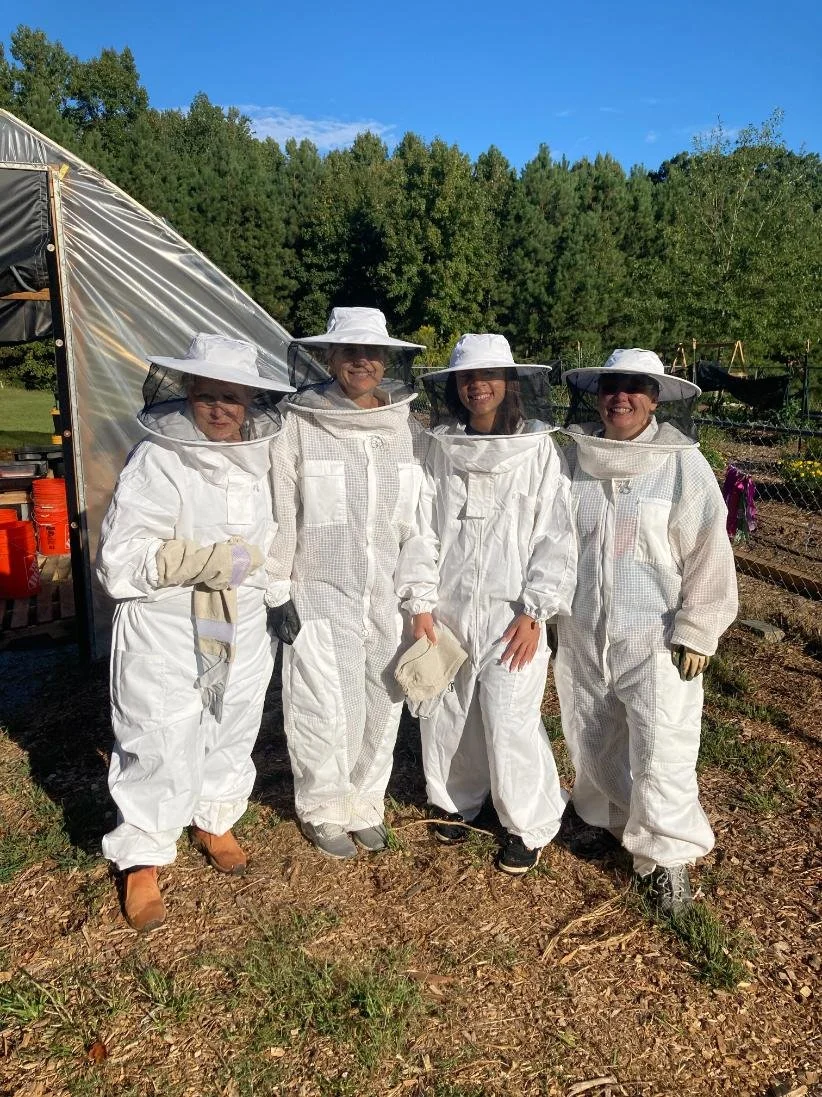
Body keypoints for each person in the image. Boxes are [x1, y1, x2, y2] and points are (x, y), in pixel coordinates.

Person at [96, 333, 292, 931]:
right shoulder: (158, 458)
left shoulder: (263, 458)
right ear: (185, 394)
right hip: (167, 622)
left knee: (232, 719)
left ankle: (214, 816)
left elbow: (276, 536)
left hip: (245, 619)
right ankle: (144, 856)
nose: (219, 408)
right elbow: (120, 560)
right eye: (206, 395)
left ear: (250, 400)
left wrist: (277, 591)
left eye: (230, 396)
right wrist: (201, 563)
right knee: (159, 729)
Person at [556, 347, 738, 913]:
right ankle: (604, 822)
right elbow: (551, 542)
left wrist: (698, 628)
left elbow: (710, 548)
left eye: (635, 386)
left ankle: (666, 859)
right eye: (612, 385)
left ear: (655, 398)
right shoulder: (574, 460)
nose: (621, 396)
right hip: (585, 629)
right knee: (591, 734)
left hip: (658, 637)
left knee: (664, 748)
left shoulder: (682, 463)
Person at [395, 333, 577, 875]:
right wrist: (421, 604)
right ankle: (456, 799)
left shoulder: (539, 452)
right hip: (447, 605)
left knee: (509, 715)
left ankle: (529, 822)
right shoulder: (438, 449)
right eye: (467, 378)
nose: (478, 386)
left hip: (511, 613)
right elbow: (421, 531)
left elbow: (556, 539)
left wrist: (535, 612)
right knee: (449, 706)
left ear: (509, 384)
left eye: (489, 376)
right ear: (455, 387)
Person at [266, 306, 425, 859]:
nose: (362, 362)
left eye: (372, 353)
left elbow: (414, 524)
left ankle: (365, 803)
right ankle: (322, 807)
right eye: (350, 352)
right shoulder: (299, 425)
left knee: (381, 699)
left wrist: (418, 596)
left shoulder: (403, 431)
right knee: (322, 706)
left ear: (385, 361)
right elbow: (284, 512)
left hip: (385, 594)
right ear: (329, 357)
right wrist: (277, 588)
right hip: (319, 590)